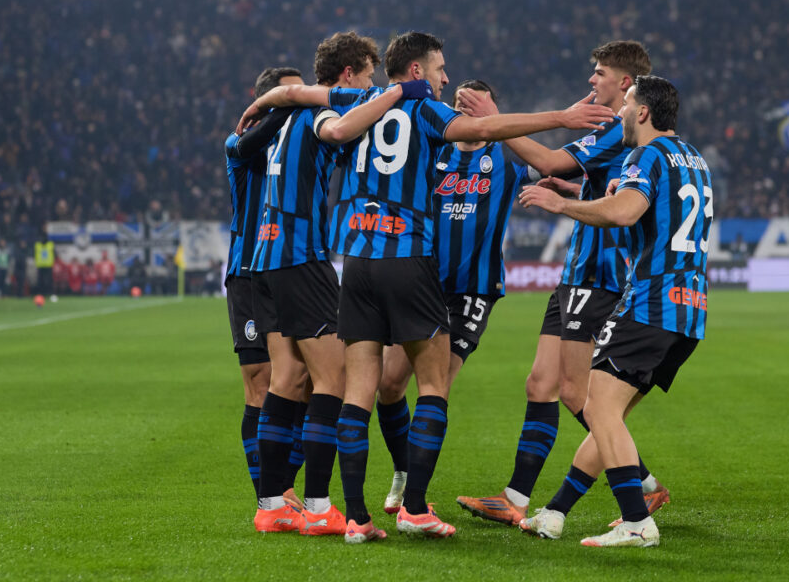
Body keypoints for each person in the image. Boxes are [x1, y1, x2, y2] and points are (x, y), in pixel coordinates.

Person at [243, 30, 615, 543]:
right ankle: (414, 506)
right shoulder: (427, 112)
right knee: (431, 385)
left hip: (356, 262)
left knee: (360, 390)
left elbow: (297, 95)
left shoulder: (361, 101)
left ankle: (354, 518)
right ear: (417, 71)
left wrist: (263, 101)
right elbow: (487, 125)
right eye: (440, 69)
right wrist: (562, 117)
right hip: (410, 262)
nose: (445, 78)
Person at [454, 40, 668, 528]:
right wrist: (575, 189)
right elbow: (603, 182)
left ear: (625, 83)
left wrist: (494, 118)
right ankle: (515, 497)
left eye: (599, 73)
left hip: (599, 275)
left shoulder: (620, 125)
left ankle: (643, 489)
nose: (592, 79)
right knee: (541, 383)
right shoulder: (613, 130)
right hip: (577, 273)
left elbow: (548, 161)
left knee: (576, 392)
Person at [238, 32, 435, 536]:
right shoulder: (316, 115)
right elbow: (338, 131)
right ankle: (322, 505)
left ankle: (271, 503)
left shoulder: (284, 119)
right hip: (302, 258)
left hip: (265, 257)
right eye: (368, 76)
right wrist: (395, 94)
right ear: (348, 76)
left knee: (287, 380)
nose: (371, 85)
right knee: (336, 382)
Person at [519, 75, 711, 548]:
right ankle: (556, 512)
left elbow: (625, 212)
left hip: (650, 302)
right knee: (610, 417)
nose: (621, 113)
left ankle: (636, 522)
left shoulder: (645, 155)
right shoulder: (694, 160)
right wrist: (591, 196)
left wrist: (562, 204)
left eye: (626, 104)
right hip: (690, 311)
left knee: (598, 406)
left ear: (643, 112)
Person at [372, 80, 534, 514]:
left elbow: (556, 167)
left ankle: (415, 498)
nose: (461, 112)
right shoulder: (434, 153)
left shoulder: (507, 157)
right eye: (457, 106)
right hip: (421, 282)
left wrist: (496, 117)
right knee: (388, 387)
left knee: (435, 386)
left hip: (472, 292)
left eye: (470, 106)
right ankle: (404, 471)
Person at [223, 66, 303, 508]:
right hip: (249, 274)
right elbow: (254, 140)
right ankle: (268, 497)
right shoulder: (240, 143)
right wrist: (289, 103)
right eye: (289, 93)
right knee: (263, 383)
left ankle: (283, 482)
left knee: (311, 379)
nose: (299, 98)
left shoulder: (303, 139)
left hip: (295, 270)